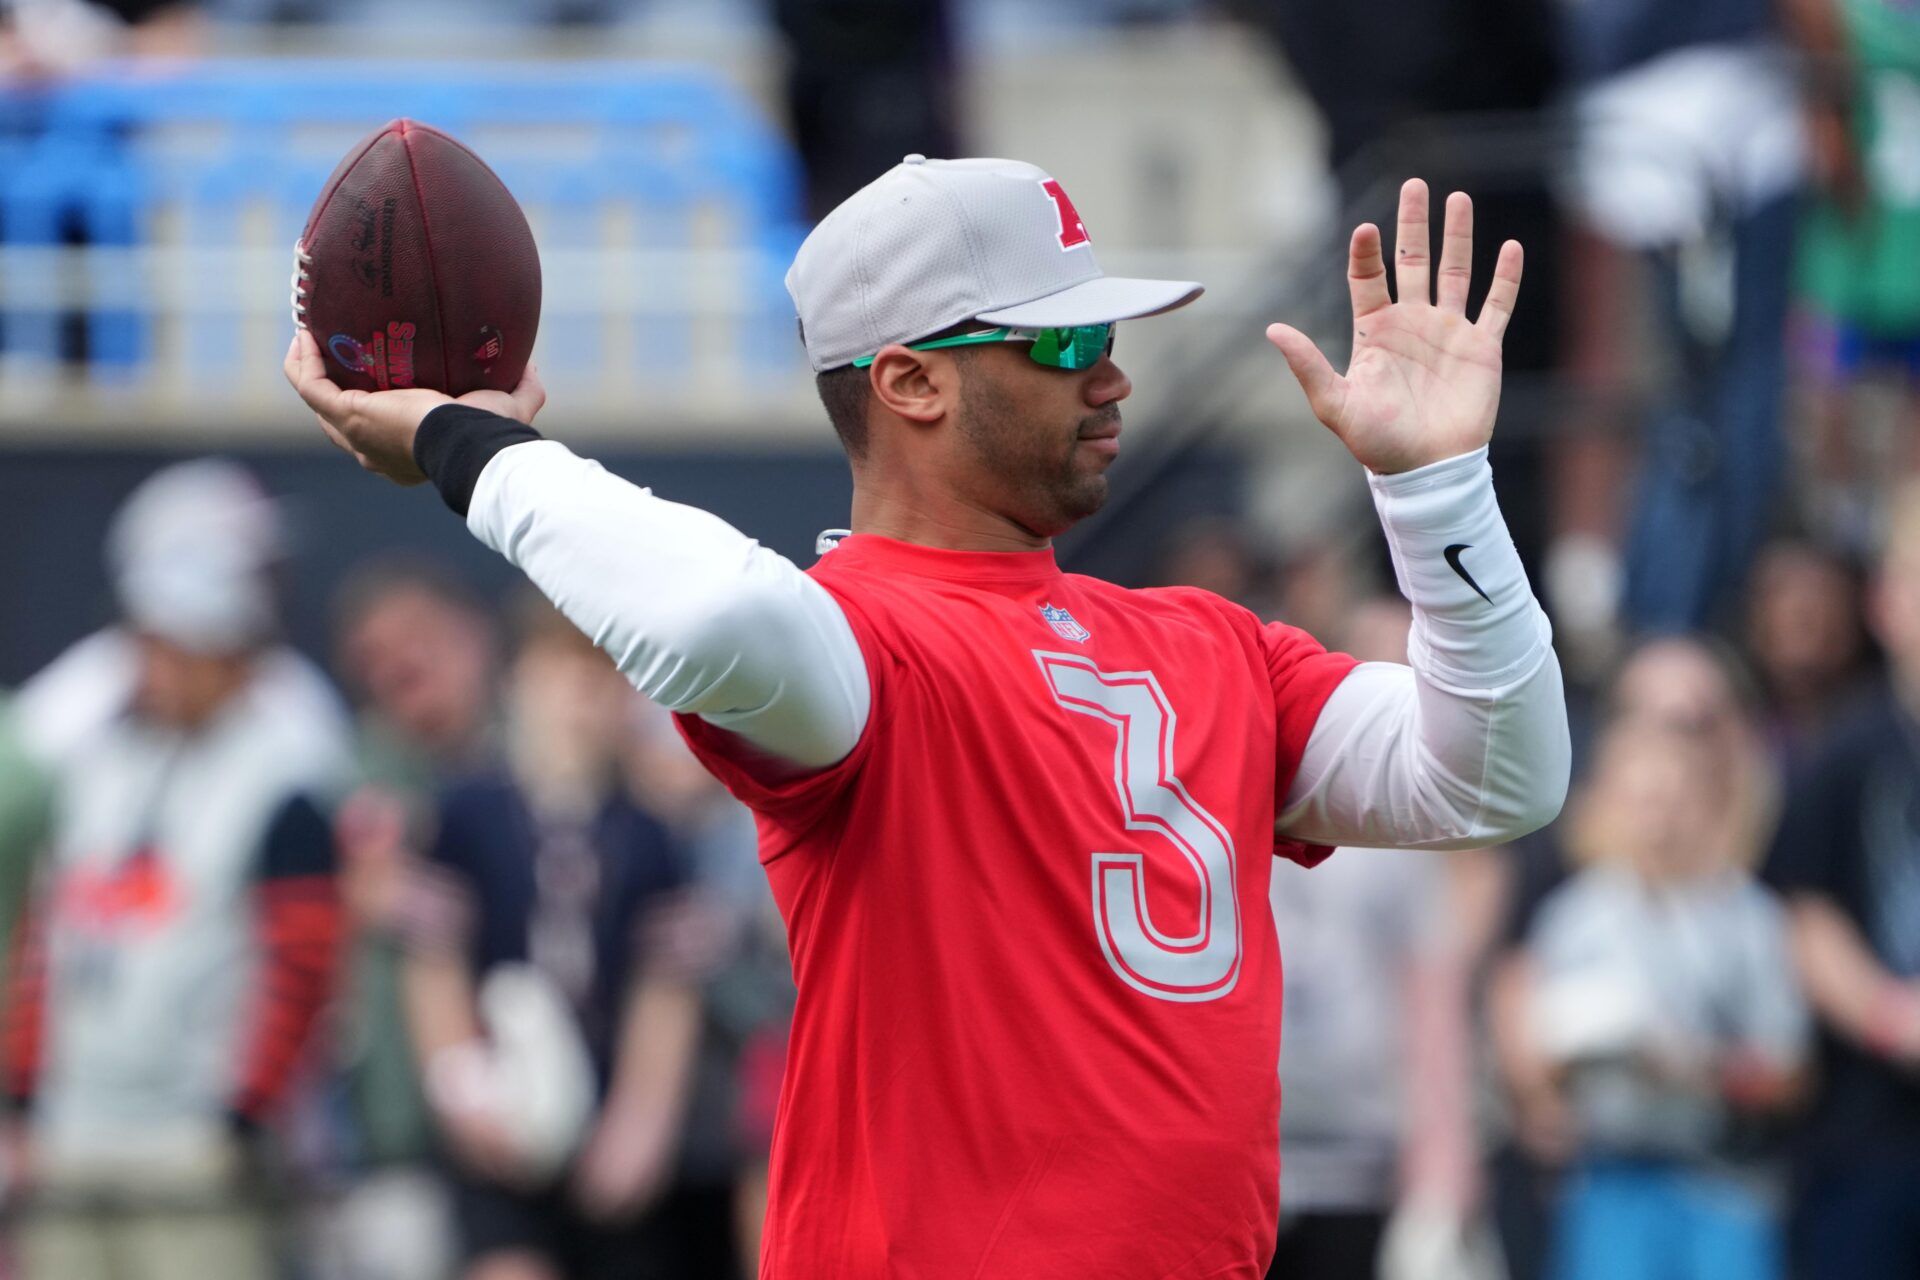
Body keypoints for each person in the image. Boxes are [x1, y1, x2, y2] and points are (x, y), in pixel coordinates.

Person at [286, 161, 1570, 1277]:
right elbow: (718, 616)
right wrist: (470, 446)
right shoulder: (867, 644)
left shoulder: (1211, 641)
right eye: (1062, 343)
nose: (1112, 374)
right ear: (909, 381)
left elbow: (1497, 776)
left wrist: (1436, 486)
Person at [2, 459, 352, 1280]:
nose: (155, 664)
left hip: (194, 1154)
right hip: (73, 1141)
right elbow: (51, 940)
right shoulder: (89, 752)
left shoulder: (286, 763)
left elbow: (303, 965)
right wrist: (22, 1099)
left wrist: (241, 1116)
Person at [403, 597, 706, 1280]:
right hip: (500, 1111)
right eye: (561, 675)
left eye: (601, 680)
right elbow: (432, 964)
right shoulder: (466, 812)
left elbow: (667, 988)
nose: (579, 701)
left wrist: (643, 1120)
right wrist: (464, 1089)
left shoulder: (650, 833)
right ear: (520, 681)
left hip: (607, 1115)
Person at [1521, 652, 1806, 1280]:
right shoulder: (1576, 917)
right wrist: (1553, 1077)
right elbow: (1535, 1059)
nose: (1659, 819)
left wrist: (1692, 1068)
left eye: (1676, 798)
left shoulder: (1748, 920)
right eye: (1642, 798)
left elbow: (1790, 1075)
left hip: (1723, 1184)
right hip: (1608, 1182)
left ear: (1712, 803)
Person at [1766, 480, 1920, 1280]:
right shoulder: (1844, 752)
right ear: (1884, 602)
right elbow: (1803, 910)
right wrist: (1889, 1017)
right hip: (1864, 1134)